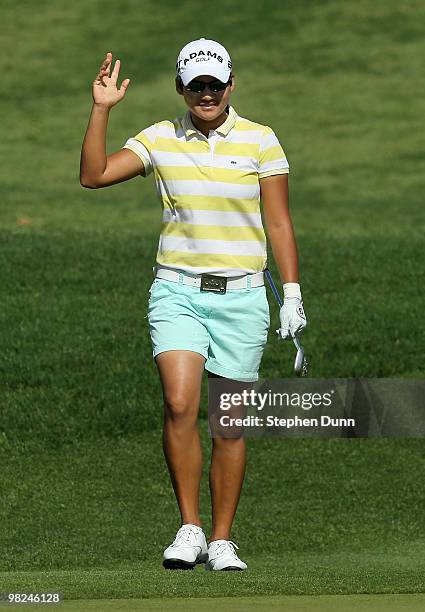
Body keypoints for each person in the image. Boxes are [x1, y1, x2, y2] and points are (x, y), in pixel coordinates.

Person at [80, 38, 306, 571]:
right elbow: (94, 175)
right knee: (180, 403)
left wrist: (291, 292)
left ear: (231, 84)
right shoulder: (159, 138)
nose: (207, 94)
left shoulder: (261, 140)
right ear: (181, 87)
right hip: (178, 291)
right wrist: (100, 110)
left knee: (228, 423)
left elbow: (278, 221)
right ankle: (190, 528)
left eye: (215, 84)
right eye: (196, 85)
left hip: (244, 296)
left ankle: (223, 539)